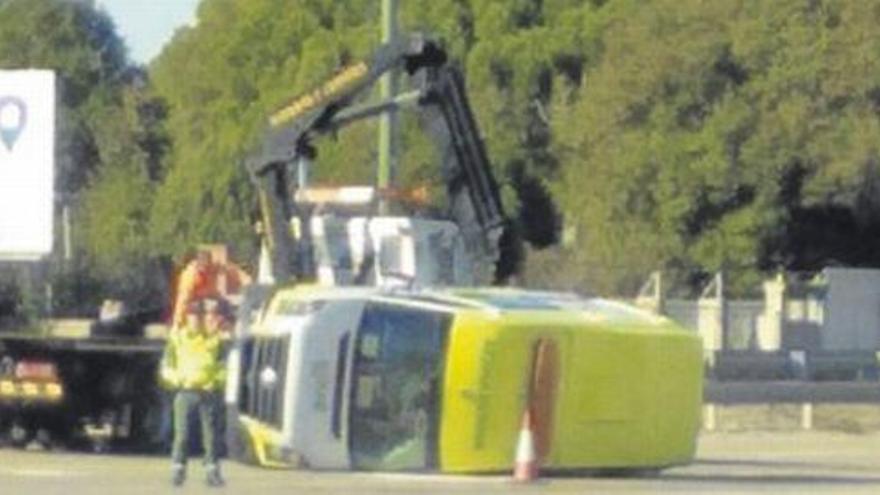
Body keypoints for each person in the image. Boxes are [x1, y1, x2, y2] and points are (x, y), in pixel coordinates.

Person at [160, 300, 227, 487]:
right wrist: (178, 380)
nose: (196, 320)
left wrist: (214, 383)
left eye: (199, 316)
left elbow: (223, 368)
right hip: (185, 392)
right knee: (182, 434)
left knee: (211, 435)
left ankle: (212, 471)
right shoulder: (178, 340)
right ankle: (178, 469)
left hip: (207, 393)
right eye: (192, 317)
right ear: (186, 319)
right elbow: (166, 367)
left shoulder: (214, 340)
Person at [172, 245, 252, 327]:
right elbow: (182, 300)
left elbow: (232, 270)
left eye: (208, 266)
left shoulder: (214, 266)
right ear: (198, 265)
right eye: (203, 267)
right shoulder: (190, 276)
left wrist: (246, 281)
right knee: (197, 317)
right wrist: (177, 323)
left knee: (222, 307)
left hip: (213, 299)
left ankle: (220, 323)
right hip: (193, 303)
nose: (207, 269)